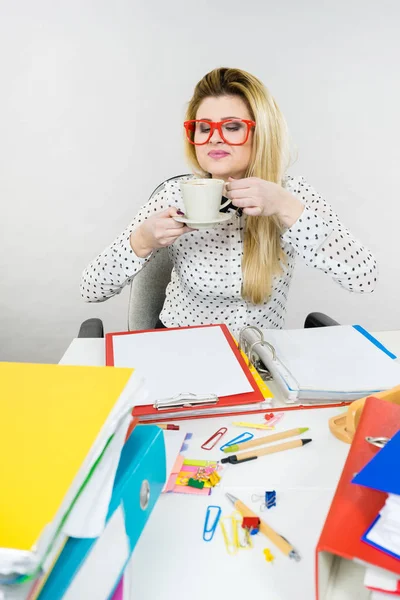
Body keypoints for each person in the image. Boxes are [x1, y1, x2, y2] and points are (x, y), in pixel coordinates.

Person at [80, 67, 377, 337]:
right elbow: (91, 289)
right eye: (205, 128)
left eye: (232, 127)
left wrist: (286, 208)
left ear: (260, 134)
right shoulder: (173, 195)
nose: (214, 139)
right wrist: (142, 240)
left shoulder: (292, 195)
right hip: (179, 351)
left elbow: (364, 278)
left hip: (260, 360)